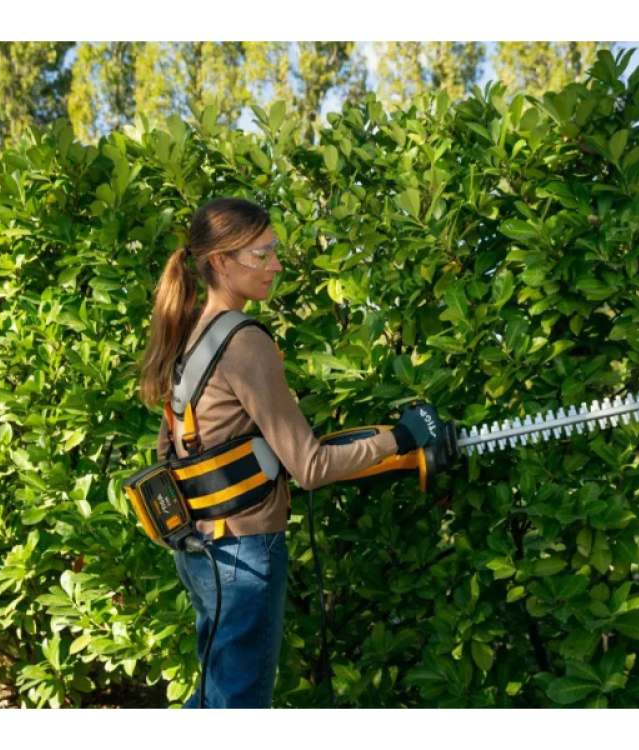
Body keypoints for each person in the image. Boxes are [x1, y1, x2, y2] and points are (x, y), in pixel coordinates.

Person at [137, 196, 440, 708]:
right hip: (243, 554)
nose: (275, 265)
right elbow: (311, 466)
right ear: (221, 262)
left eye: (274, 250)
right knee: (238, 707)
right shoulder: (243, 342)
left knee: (215, 699)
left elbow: (175, 448)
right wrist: (404, 438)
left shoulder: (190, 333)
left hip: (201, 549)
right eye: (262, 254)